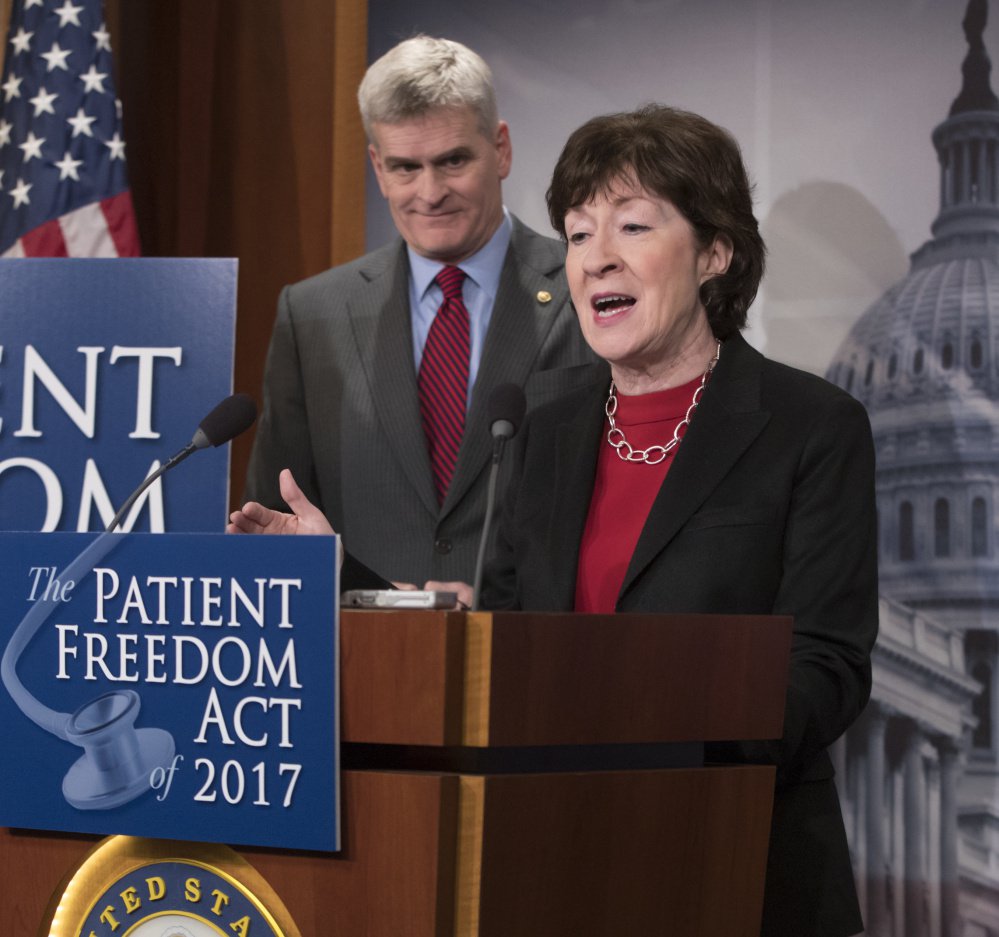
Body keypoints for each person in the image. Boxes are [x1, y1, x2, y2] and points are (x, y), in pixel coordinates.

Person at [231, 104, 877, 937]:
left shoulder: (808, 425)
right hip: (551, 865)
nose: (595, 257)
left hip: (735, 871)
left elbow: (825, 671)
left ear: (715, 254)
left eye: (632, 226)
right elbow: (502, 645)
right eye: (575, 234)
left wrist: (630, 713)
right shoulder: (540, 418)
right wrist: (338, 574)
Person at [243, 35, 594, 587]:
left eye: (453, 160)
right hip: (361, 658)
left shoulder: (589, 290)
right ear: (378, 167)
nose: (430, 193)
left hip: (534, 654)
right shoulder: (312, 313)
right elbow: (274, 519)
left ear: (500, 149)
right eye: (405, 167)